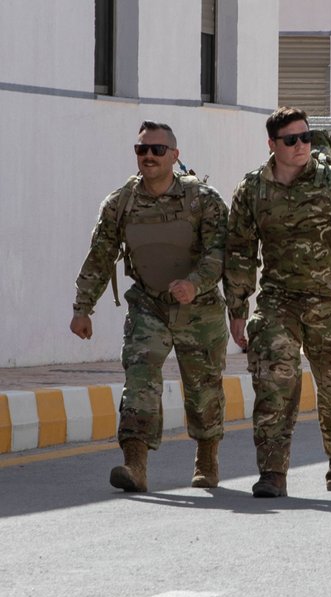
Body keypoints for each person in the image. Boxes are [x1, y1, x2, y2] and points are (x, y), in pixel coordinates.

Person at [225, 106, 331, 498]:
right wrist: (238, 309)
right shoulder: (252, 190)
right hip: (279, 299)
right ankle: (273, 472)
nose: (301, 146)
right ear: (272, 144)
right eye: (291, 140)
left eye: (306, 138)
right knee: (273, 378)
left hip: (330, 300)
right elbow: (241, 251)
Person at [70, 120, 229, 493]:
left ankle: (207, 458)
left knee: (203, 386)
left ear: (175, 155)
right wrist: (82, 308)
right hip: (148, 305)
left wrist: (195, 284)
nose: (149, 156)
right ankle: (135, 464)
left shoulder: (203, 200)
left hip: (199, 308)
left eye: (158, 150)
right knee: (139, 378)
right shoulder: (120, 203)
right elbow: (100, 257)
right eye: (142, 149)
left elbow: (220, 252)